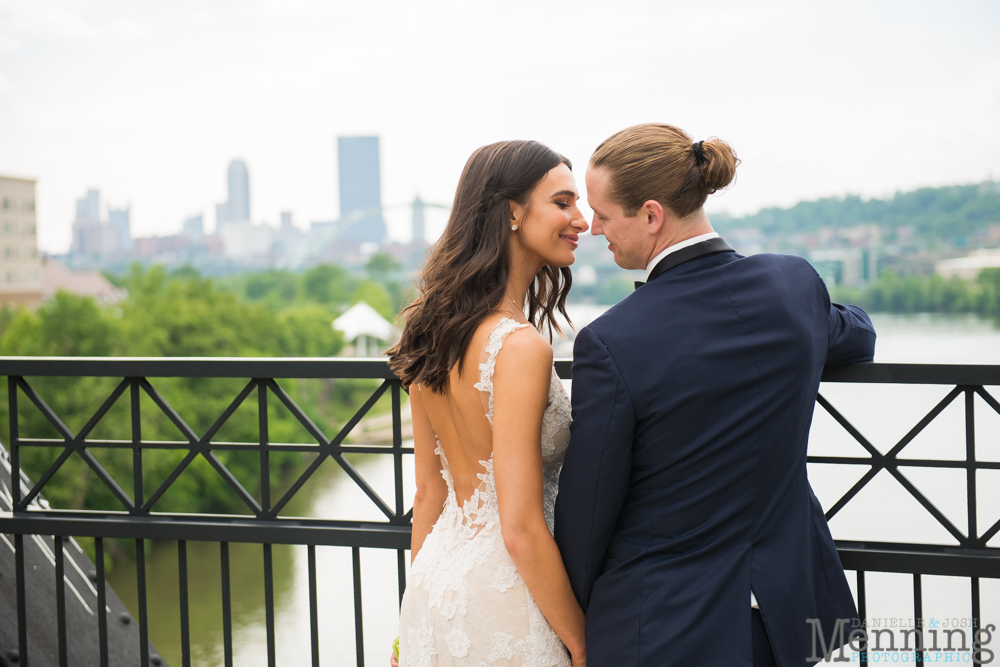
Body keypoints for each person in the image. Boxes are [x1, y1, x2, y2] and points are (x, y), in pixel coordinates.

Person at [554, 123, 876, 666]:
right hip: (785, 616)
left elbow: (588, 512)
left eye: (605, 216)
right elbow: (859, 335)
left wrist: (575, 619)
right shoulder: (793, 287)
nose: (594, 230)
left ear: (652, 215)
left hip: (663, 627)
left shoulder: (611, 341)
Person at [388, 140, 589, 666]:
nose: (582, 220)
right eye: (564, 203)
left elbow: (430, 495)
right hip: (504, 598)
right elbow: (520, 528)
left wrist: (412, 618)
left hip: (434, 585)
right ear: (512, 213)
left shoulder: (427, 331)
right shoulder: (521, 347)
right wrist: (583, 642)